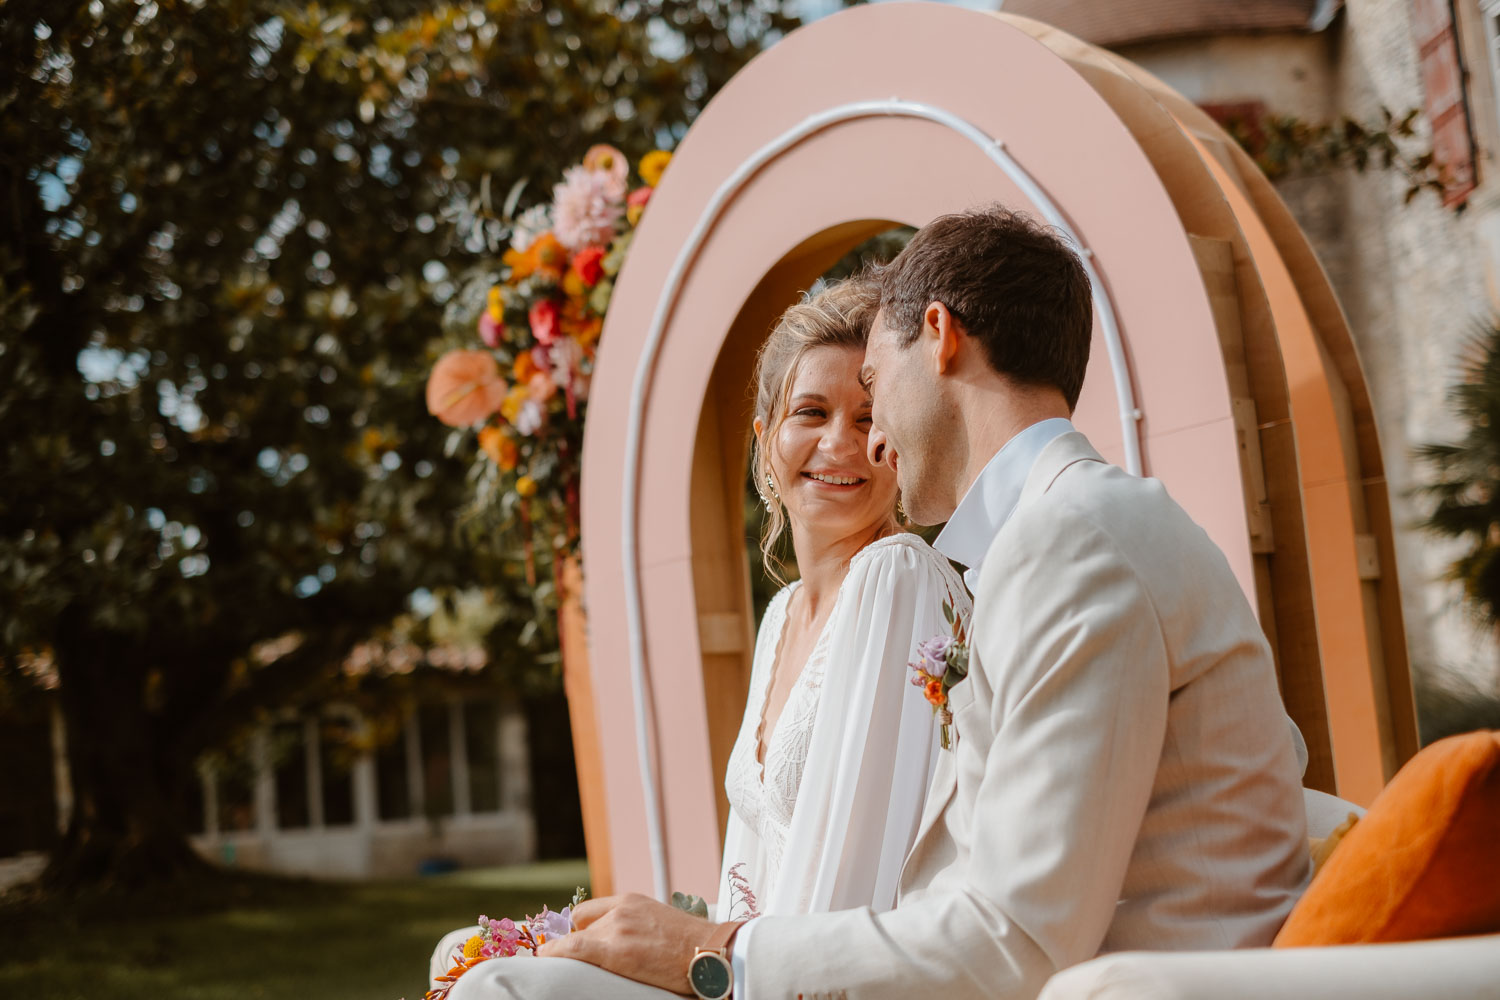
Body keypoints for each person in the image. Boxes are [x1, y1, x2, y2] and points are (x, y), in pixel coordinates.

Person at [450, 207, 1310, 1000]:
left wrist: (710, 954)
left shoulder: (1073, 539)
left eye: (873, 381)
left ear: (938, 337)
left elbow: (1015, 938)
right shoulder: (1062, 534)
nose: (873, 439)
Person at [432, 277, 970, 983]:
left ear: (893, 443)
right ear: (766, 441)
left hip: (810, 979)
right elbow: (749, 875)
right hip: (739, 962)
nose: (839, 442)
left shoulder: (896, 576)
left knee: (500, 985)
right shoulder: (781, 618)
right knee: (461, 953)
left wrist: (699, 962)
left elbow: (858, 878)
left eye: (868, 418)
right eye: (811, 411)